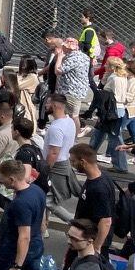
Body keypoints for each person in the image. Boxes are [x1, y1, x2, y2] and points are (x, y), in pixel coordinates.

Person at [65, 143, 114, 266]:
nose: (72, 164)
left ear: (83, 162)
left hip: (88, 243)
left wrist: (96, 249)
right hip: (83, 239)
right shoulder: (97, 178)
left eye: (73, 161)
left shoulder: (99, 188)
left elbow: (106, 221)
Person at [44, 93, 80, 222]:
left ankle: (74, 222)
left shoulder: (56, 128)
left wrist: (45, 170)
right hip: (64, 163)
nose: (45, 105)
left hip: (56, 166)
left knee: (48, 201)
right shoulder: (69, 121)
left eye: (48, 103)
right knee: (47, 195)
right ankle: (44, 225)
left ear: (54, 106)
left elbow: (54, 152)